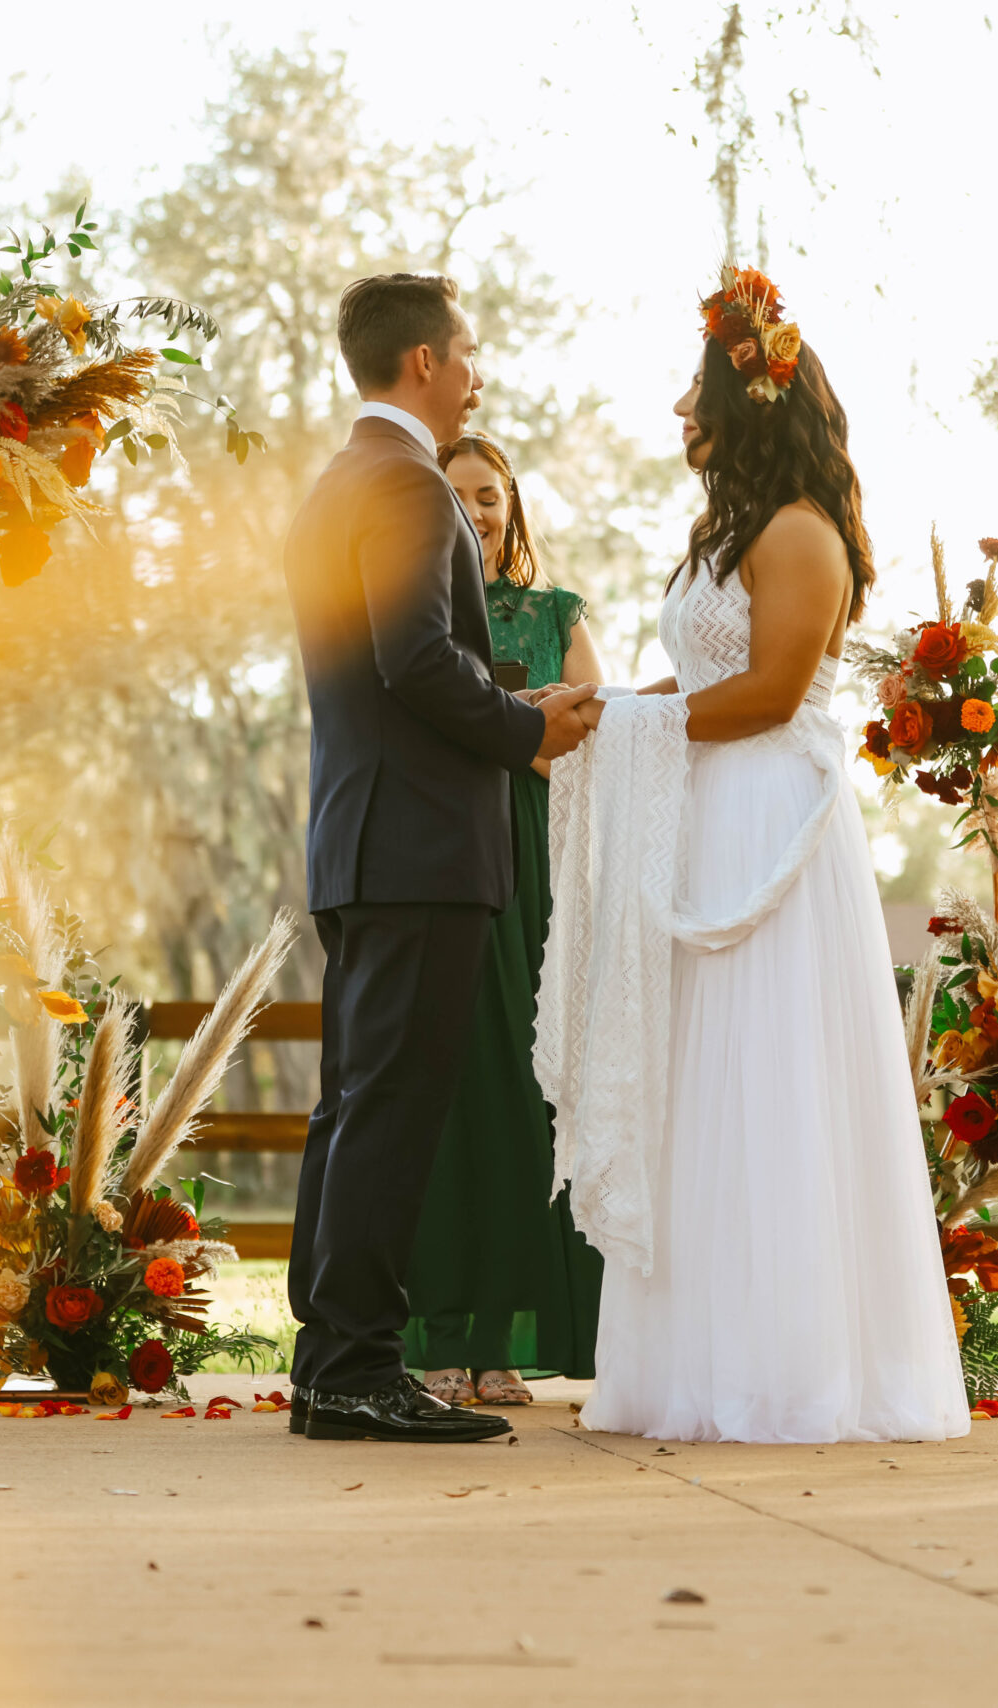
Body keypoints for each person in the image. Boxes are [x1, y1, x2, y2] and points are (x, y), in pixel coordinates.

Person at [534, 265, 972, 1444]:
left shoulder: (799, 534)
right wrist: (599, 711)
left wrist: (635, 721)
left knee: (768, 1076)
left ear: (748, 406)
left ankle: (792, 1373)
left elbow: (774, 693)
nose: (681, 414)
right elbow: (706, 684)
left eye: (694, 396)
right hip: (702, 800)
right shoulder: (726, 530)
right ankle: (687, 1367)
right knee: (696, 1085)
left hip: (769, 816)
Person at [278, 273, 597, 1444]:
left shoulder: (338, 485)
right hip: (419, 847)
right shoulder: (409, 486)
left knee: (353, 1111)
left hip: (363, 839)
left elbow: (381, 667)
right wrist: (530, 729)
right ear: (422, 363)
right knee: (392, 1110)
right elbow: (415, 659)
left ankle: (331, 1364)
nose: (477, 373)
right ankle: (357, 1369)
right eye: (467, 353)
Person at [402, 431, 606, 1408]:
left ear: (511, 507)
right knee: (447, 1104)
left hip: (536, 872)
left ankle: (497, 1343)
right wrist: (522, 723)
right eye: (458, 495)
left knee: (526, 1103)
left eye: (490, 496)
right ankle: (436, 1333)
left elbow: (588, 738)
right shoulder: (414, 615)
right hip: (444, 857)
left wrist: (502, 729)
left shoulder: (557, 612)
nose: (477, 511)